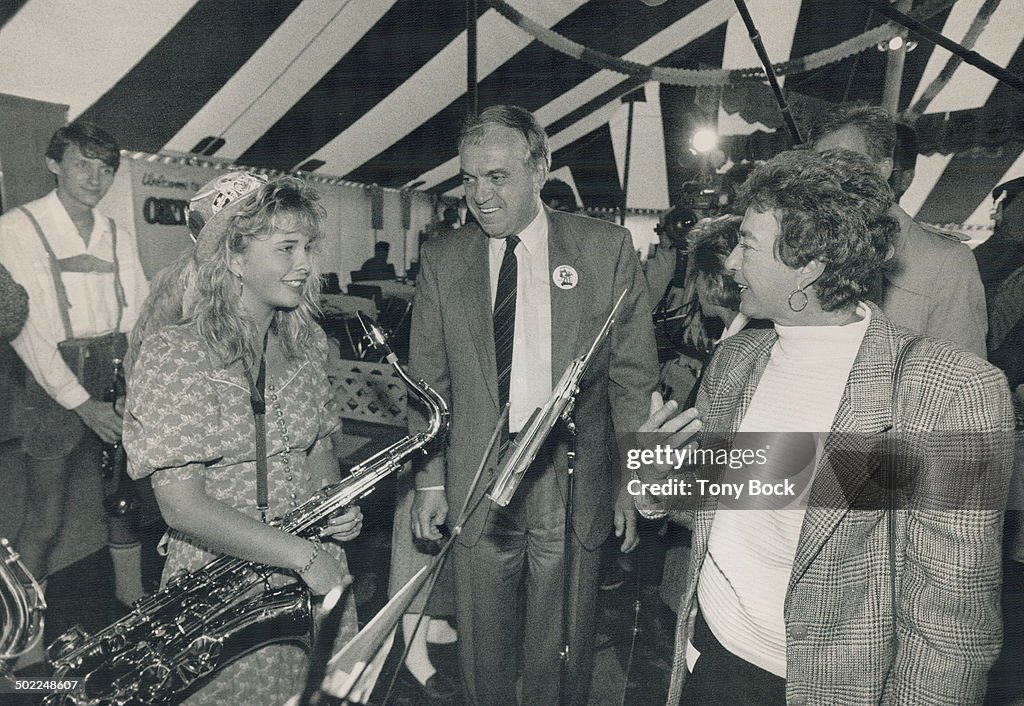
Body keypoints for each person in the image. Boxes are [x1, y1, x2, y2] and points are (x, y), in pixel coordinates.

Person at [634, 149, 1015, 704]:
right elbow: (723, 502)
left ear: (808, 265)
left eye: (747, 244)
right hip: (709, 660)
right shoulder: (737, 360)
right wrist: (654, 482)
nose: (732, 263)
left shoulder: (951, 394)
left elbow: (950, 626)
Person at [408, 104, 658, 705]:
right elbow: (427, 382)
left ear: (540, 167)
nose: (480, 195)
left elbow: (632, 377)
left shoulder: (606, 249)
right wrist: (430, 482)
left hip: (569, 479)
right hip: (478, 475)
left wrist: (634, 478)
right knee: (482, 654)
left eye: (497, 177)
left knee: (563, 652)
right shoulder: (444, 257)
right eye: (468, 179)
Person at [123, 172, 362, 705]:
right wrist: (301, 556)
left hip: (311, 567)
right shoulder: (176, 353)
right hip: (220, 580)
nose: (304, 263)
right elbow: (182, 508)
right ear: (234, 257)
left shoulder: (308, 345)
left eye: (307, 247)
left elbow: (320, 453)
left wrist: (337, 506)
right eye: (285, 248)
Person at [0, 121, 150, 636]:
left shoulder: (115, 233)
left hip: (116, 368)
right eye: (82, 164)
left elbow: (140, 315)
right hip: (51, 380)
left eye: (105, 167)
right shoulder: (15, 229)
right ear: (53, 164)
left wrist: (132, 386)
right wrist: (81, 402)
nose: (95, 177)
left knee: (124, 499)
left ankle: (130, 597)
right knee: (46, 517)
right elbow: (24, 330)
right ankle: (21, 630)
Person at [808, 103, 987, 357]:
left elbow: (966, 381)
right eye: (819, 165)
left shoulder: (946, 263)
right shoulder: (808, 247)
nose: (828, 177)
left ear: (883, 168)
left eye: (843, 162)